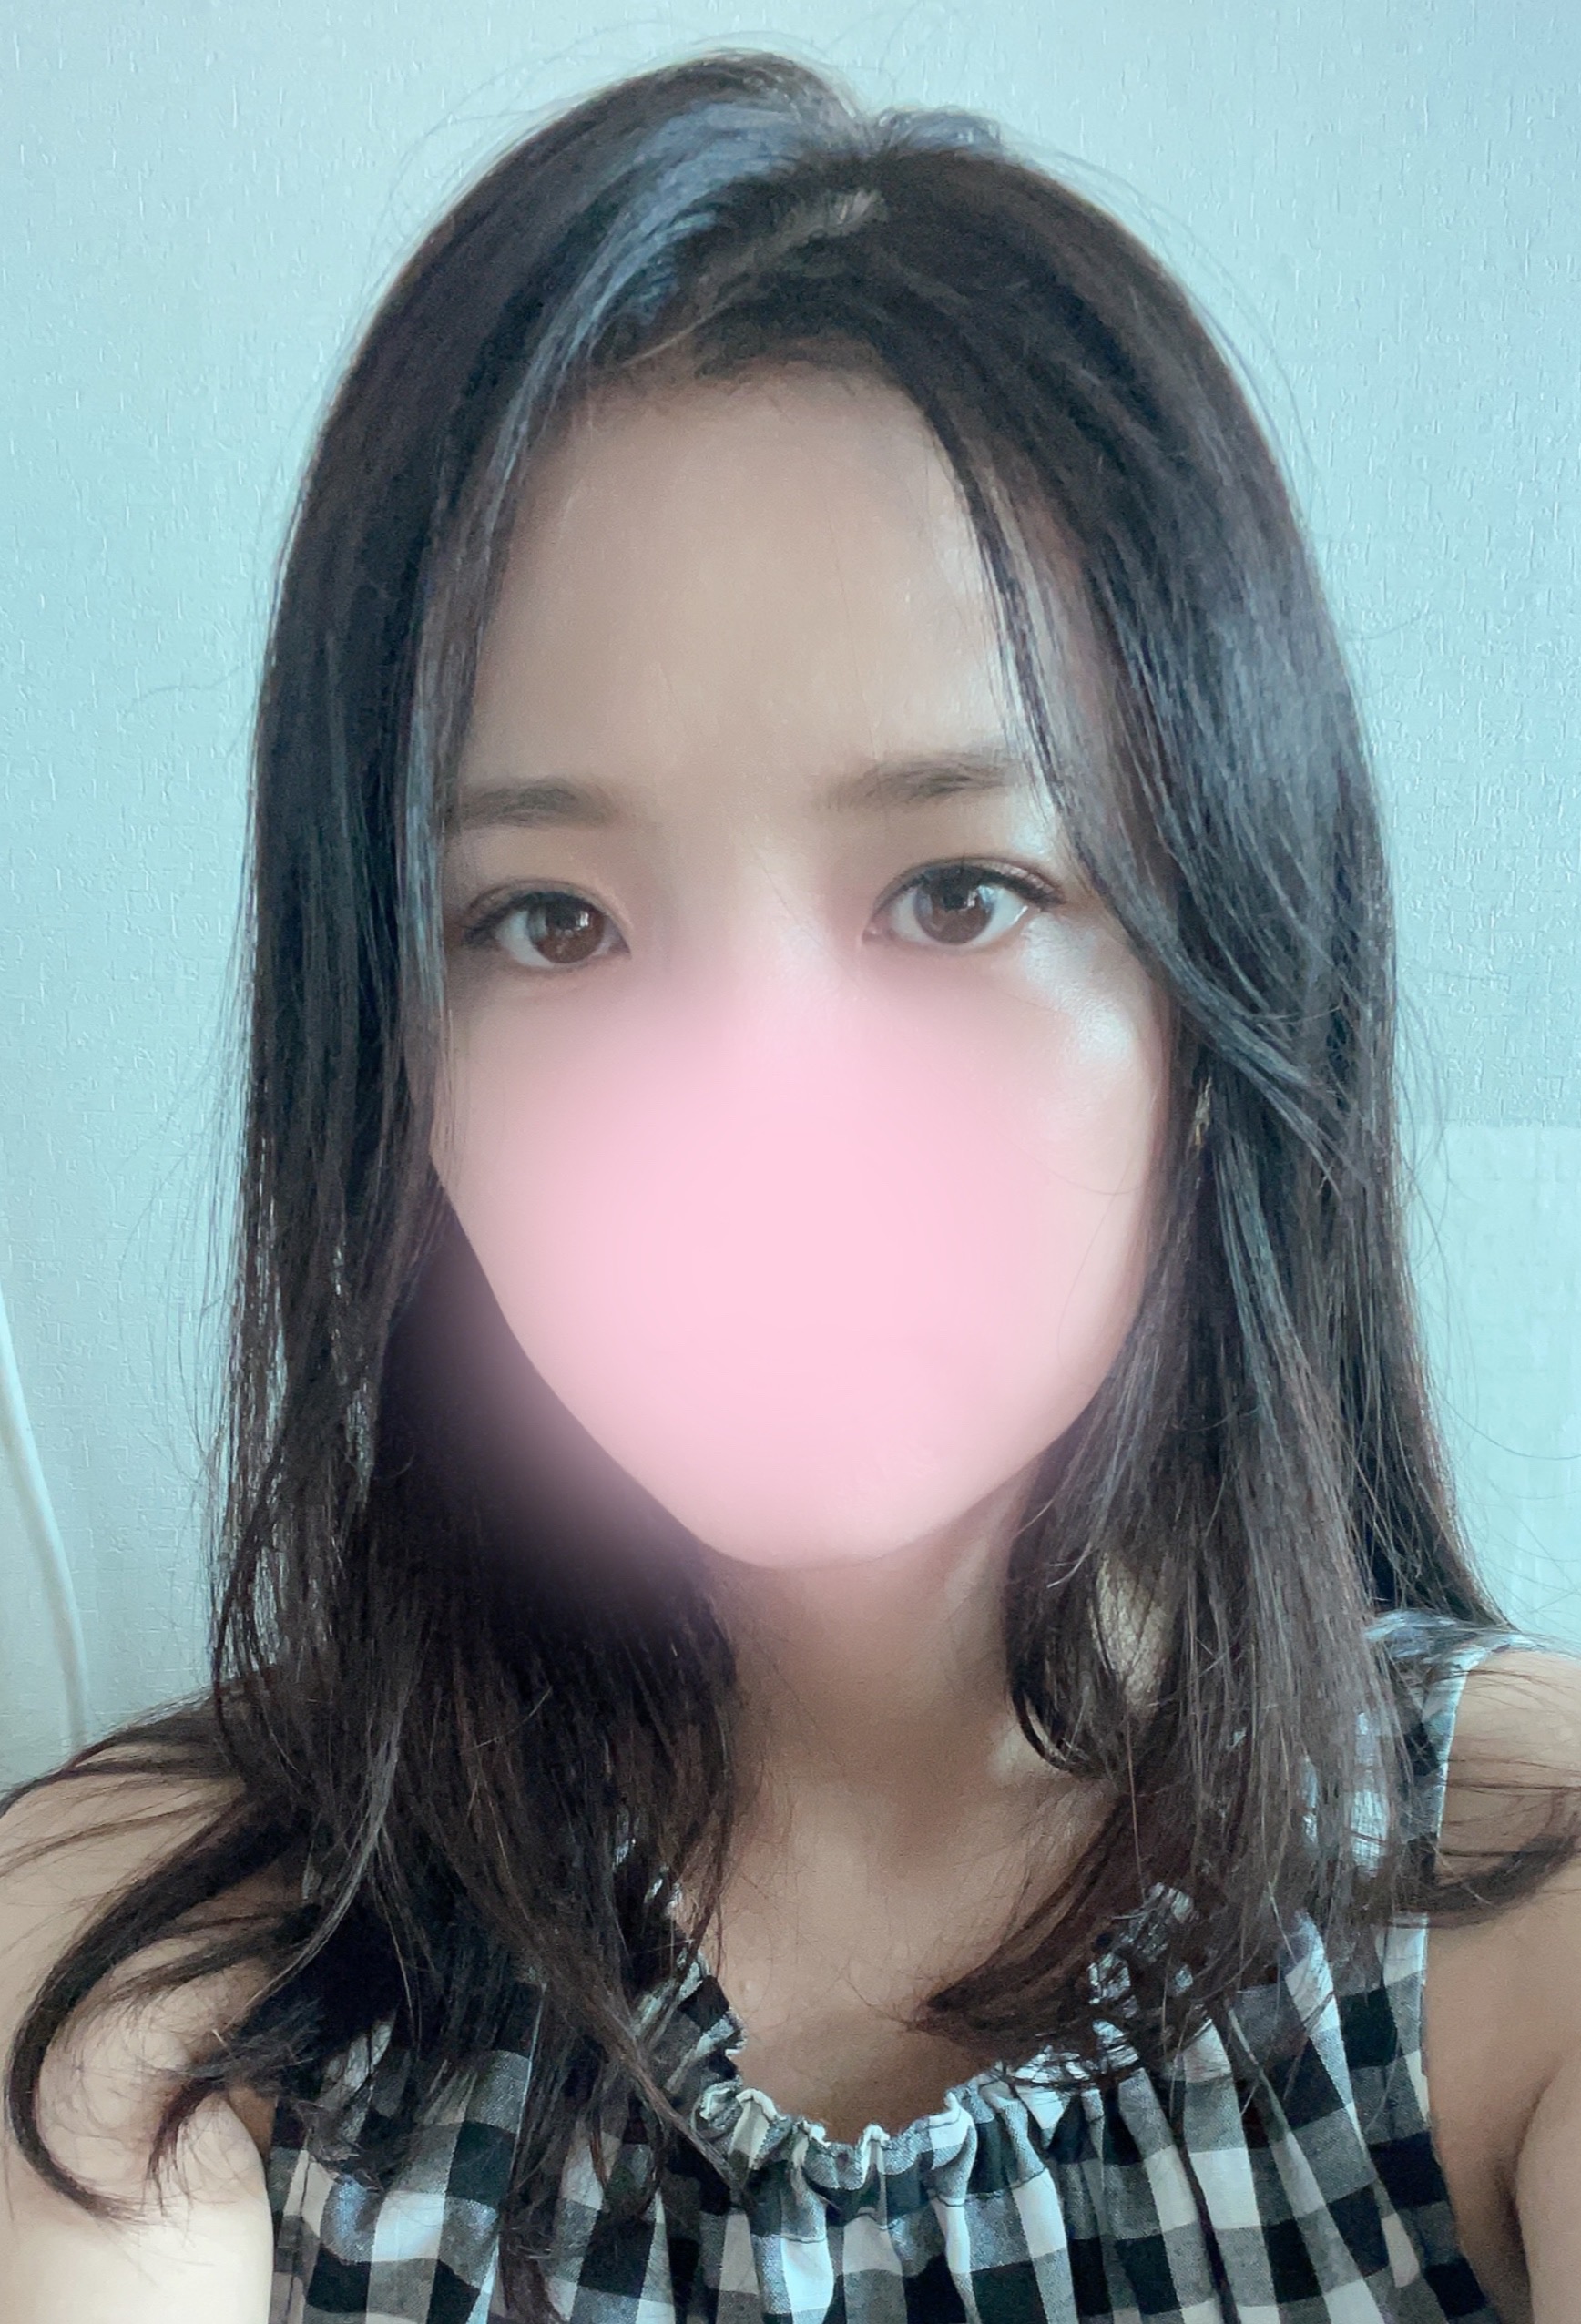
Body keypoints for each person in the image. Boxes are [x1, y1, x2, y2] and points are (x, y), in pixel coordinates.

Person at [2, 46, 1578, 2324]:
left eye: (954, 892)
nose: (754, 1114)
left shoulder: (1523, 1920)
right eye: (550, 922)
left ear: (1220, 988)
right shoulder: (150, 1984)